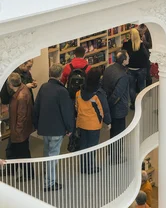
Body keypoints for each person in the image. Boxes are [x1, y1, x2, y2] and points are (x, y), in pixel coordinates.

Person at [33, 63, 75, 192]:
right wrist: (70, 128)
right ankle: (49, 183)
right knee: (53, 156)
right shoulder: (62, 91)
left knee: (47, 152)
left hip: (45, 127)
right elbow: (66, 111)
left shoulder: (44, 87)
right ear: (61, 75)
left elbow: (37, 107)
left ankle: (47, 173)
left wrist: (36, 124)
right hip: (57, 129)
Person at [75, 67, 111, 174]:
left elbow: (76, 107)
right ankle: (90, 167)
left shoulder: (78, 92)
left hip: (81, 123)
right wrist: (108, 122)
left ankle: (83, 167)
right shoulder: (98, 95)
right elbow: (103, 109)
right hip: (93, 125)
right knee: (92, 147)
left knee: (83, 146)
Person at [6, 72, 34, 181]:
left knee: (22, 153)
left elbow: (21, 117)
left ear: (10, 85)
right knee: (18, 151)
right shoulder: (23, 90)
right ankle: (14, 170)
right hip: (22, 130)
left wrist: (17, 133)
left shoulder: (20, 97)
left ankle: (28, 174)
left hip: (20, 131)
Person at [102, 50, 130, 138]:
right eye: (128, 57)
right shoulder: (123, 76)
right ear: (124, 61)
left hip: (109, 107)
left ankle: (112, 151)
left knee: (113, 134)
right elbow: (117, 95)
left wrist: (106, 106)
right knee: (118, 135)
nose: (129, 58)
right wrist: (109, 104)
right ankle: (115, 152)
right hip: (119, 110)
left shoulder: (108, 69)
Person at [122, 28, 150, 110]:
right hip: (141, 68)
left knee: (131, 87)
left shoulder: (126, 45)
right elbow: (146, 56)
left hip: (130, 69)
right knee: (142, 86)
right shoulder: (141, 45)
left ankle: (133, 104)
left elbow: (123, 55)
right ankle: (142, 102)